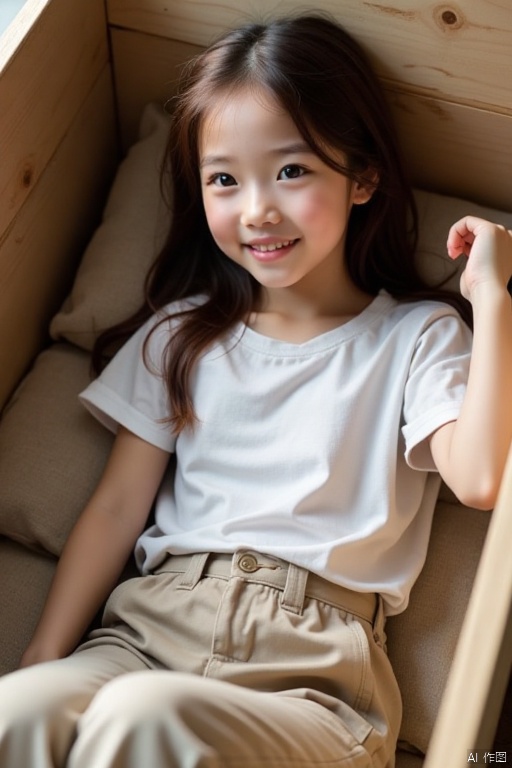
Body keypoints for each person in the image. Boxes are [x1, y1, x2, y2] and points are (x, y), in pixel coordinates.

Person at [0, 13, 511, 768]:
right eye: (224, 180)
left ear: (363, 176)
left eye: (292, 171)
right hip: (145, 633)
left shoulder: (416, 336)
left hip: (312, 676)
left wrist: (492, 296)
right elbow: (115, 508)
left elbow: (481, 479)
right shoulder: (182, 334)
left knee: (141, 721)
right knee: (15, 712)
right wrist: (43, 656)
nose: (256, 210)